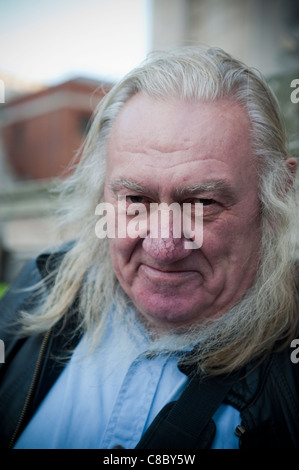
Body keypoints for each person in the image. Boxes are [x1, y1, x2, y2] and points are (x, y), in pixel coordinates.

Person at [0, 45, 299, 450]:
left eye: (202, 204)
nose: (162, 246)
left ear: (278, 192)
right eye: (135, 201)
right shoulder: (39, 286)